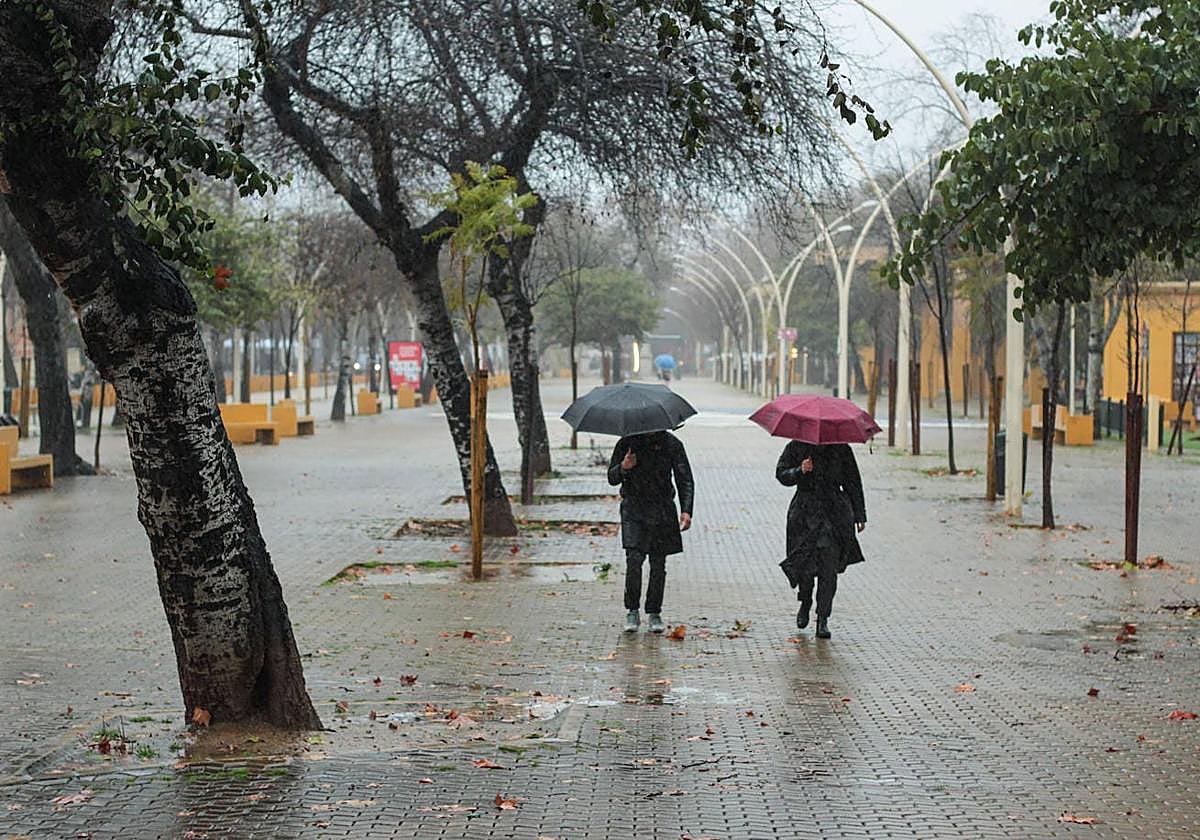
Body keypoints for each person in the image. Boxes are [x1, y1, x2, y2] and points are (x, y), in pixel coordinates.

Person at [776, 441, 866, 639]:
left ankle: (823, 617)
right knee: (804, 565)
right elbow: (781, 474)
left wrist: (860, 514)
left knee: (829, 568)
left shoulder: (842, 449)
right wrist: (800, 470)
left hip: (834, 515)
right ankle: (805, 600)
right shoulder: (797, 446)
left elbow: (853, 481)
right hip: (804, 514)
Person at [607, 429, 694, 634]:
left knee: (658, 562)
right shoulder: (627, 442)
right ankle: (632, 610)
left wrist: (686, 509)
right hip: (634, 508)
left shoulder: (671, 443)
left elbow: (685, 478)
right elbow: (611, 477)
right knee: (634, 559)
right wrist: (623, 467)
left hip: (662, 508)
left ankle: (654, 611)